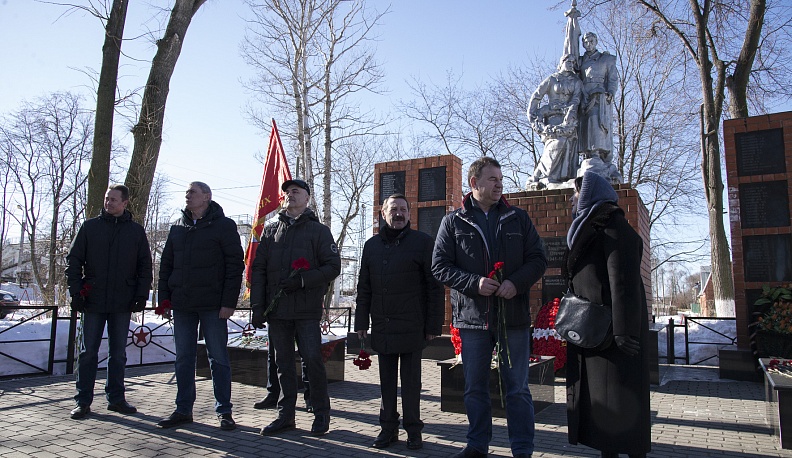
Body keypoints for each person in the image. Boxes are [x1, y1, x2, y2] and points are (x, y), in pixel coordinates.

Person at [432, 157, 547, 458]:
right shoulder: (453, 222)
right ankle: (477, 445)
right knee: (474, 388)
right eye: (493, 179)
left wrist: (516, 283)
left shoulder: (517, 218)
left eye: (500, 178)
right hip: (473, 320)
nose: (499, 184)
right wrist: (474, 283)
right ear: (474, 183)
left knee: (518, 388)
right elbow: (440, 266)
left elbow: (538, 258)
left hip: (513, 319)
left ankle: (522, 449)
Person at [564, 171, 651, 457]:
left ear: (589, 194)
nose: (572, 199)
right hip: (595, 329)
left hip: (614, 334)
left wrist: (624, 331)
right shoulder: (590, 226)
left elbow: (623, 283)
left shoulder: (613, 227)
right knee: (605, 403)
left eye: (576, 193)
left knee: (621, 402)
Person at [250, 178, 341, 436]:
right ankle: (285, 415)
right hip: (277, 312)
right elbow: (259, 269)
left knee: (313, 361)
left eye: (296, 191)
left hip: (305, 310)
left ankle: (321, 414)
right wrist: (258, 305)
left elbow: (333, 266)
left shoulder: (319, 231)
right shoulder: (270, 230)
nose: (290, 194)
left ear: (307, 198)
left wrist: (302, 280)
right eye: (287, 192)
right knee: (283, 364)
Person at [355, 193, 445, 451]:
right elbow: (364, 287)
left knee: (411, 384)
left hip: (412, 326)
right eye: (393, 209)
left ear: (409, 214)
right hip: (383, 325)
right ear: (383, 214)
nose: (399, 213)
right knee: (385, 384)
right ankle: (387, 430)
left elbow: (434, 288)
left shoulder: (423, 243)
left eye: (403, 209)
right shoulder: (371, 246)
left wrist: (432, 325)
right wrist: (361, 320)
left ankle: (414, 432)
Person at [156, 182, 244, 431]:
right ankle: (183, 410)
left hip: (213, 305)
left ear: (206, 196)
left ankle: (224, 412)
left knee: (218, 358)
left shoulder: (224, 226)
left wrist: (229, 302)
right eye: (186, 193)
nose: (187, 195)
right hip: (183, 304)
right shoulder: (177, 227)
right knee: (184, 358)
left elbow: (234, 266)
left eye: (192, 192)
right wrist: (165, 299)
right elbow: (166, 266)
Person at [65, 184, 152, 420]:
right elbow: (73, 261)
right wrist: (76, 293)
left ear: (125, 203)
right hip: (92, 299)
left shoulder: (135, 232)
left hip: (122, 301)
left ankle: (116, 399)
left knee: (118, 354)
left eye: (114, 200)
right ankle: (83, 401)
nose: (108, 203)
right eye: (106, 198)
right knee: (88, 352)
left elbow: (145, 266)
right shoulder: (89, 228)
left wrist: (140, 295)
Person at [526, 54, 583, 189]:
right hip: (552, 119)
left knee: (568, 147)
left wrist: (570, 113)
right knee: (556, 144)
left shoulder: (576, 82)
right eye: (568, 61)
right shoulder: (552, 79)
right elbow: (536, 96)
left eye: (573, 62)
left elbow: (576, 99)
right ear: (562, 62)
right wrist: (533, 117)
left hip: (568, 119)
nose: (570, 64)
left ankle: (558, 178)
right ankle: (544, 176)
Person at [578, 32, 622, 183]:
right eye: (586, 42)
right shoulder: (580, 60)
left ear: (596, 41)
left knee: (597, 124)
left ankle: (597, 153)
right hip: (584, 97)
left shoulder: (606, 59)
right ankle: (588, 154)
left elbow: (612, 78)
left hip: (600, 96)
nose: (589, 44)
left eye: (591, 41)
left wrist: (610, 92)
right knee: (586, 126)